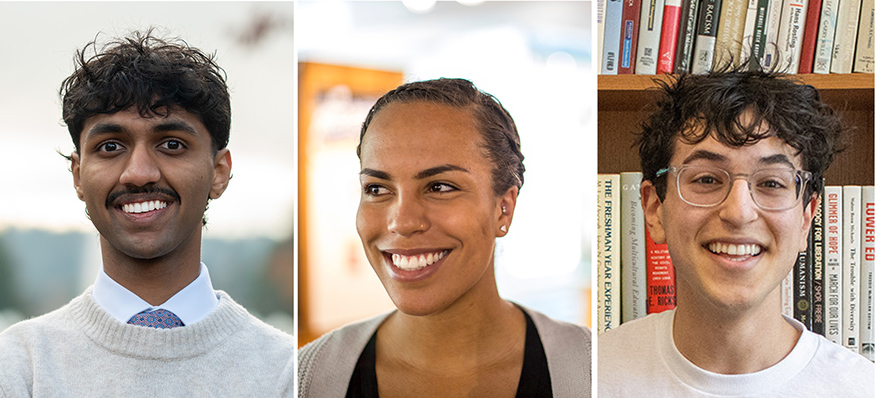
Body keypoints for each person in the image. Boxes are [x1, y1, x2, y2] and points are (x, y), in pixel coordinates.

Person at [0, 30, 294, 396]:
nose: (139, 173)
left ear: (218, 173)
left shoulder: (285, 372)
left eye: (171, 144)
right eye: (110, 146)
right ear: (78, 175)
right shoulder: (17, 367)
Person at [298, 78, 591, 397]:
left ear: (503, 209)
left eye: (440, 187)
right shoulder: (307, 378)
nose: (403, 222)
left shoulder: (592, 370)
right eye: (377, 189)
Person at [598, 63, 875, 396]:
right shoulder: (589, 376)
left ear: (806, 218)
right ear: (655, 209)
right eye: (707, 179)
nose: (739, 213)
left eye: (772, 183)